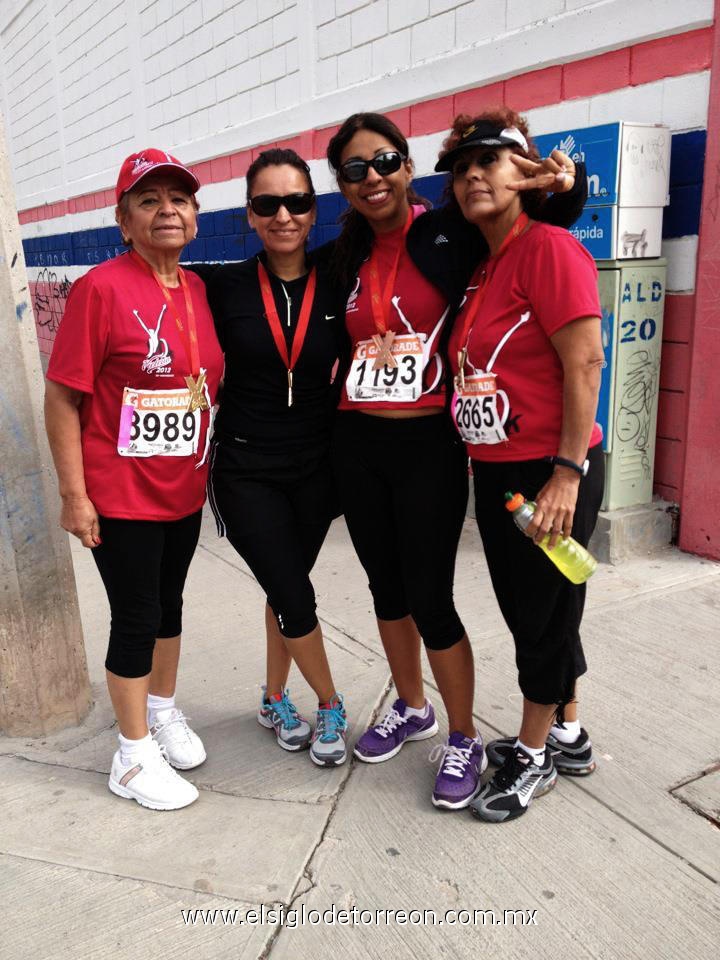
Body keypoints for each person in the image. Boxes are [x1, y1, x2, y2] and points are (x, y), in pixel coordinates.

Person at [325, 112, 588, 809]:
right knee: (407, 590)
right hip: (406, 448)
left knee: (513, 601)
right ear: (343, 186)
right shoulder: (347, 254)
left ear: (409, 169)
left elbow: (541, 221)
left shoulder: (450, 233)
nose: (372, 177)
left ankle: (490, 738)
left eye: (384, 161)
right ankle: (432, 711)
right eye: (354, 170)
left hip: (459, 454)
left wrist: (566, 182)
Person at [436, 107, 604, 822]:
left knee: (538, 616)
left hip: (547, 472)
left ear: (526, 171)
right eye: (461, 165)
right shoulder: (486, 266)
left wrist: (566, 472)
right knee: (549, 607)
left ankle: (532, 757)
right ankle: (566, 731)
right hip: (500, 469)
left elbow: (585, 361)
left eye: (491, 159)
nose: (473, 173)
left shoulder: (550, 250)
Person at [44, 149, 224, 810]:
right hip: (120, 494)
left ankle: (163, 709)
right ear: (124, 221)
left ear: (196, 217)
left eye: (179, 199)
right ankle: (131, 754)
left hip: (182, 486)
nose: (167, 210)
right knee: (137, 616)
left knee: (169, 605)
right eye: (149, 201)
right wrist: (74, 495)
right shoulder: (100, 289)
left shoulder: (198, 290)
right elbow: (63, 398)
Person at [190, 149, 349, 766]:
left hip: (317, 467)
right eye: (267, 204)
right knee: (291, 590)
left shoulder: (338, 278)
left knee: (288, 588)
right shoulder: (223, 285)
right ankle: (330, 701)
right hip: (246, 468)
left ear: (314, 211)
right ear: (250, 215)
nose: (283, 215)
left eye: (297, 202)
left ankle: (273, 696)